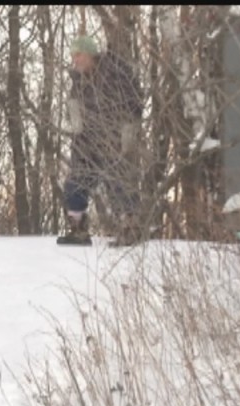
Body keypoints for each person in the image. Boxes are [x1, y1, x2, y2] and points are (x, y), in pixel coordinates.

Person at [57, 35, 144, 247]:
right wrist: (74, 120)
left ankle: (130, 227)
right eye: (73, 55)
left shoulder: (114, 73)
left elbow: (134, 101)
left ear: (90, 54)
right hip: (86, 141)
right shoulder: (78, 80)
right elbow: (74, 106)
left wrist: (128, 130)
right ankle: (78, 230)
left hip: (112, 138)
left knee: (117, 182)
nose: (74, 60)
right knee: (75, 183)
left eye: (78, 55)